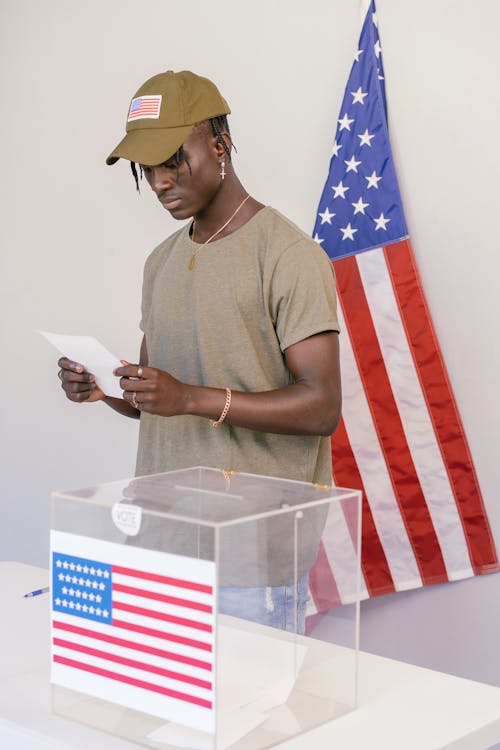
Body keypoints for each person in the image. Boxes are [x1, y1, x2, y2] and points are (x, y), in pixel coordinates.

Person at [57, 70, 341, 632]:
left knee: (248, 718)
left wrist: (190, 398)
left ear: (219, 144)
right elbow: (152, 398)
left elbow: (321, 407)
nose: (160, 181)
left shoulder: (287, 254)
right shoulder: (160, 261)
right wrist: (105, 388)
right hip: (160, 541)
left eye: (172, 160)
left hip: (249, 554)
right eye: (146, 168)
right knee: (163, 715)